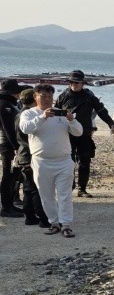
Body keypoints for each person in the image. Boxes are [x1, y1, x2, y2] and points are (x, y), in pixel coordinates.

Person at [18, 84, 83, 237]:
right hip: (41, 162)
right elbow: (25, 128)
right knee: (46, 195)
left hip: (64, 161)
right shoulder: (29, 113)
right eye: (43, 96)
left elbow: (78, 132)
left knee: (64, 194)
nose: (47, 100)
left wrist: (72, 120)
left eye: (49, 97)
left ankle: (66, 224)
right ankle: (54, 223)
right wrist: (43, 117)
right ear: (35, 97)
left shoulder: (61, 114)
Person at [55, 70, 114, 197]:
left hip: (85, 134)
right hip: (67, 134)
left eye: (77, 82)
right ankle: (69, 186)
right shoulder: (63, 96)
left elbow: (101, 110)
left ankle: (82, 188)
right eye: (72, 82)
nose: (74, 84)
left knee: (85, 161)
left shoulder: (89, 96)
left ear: (83, 83)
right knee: (68, 161)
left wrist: (111, 123)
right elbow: (56, 114)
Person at [14, 87, 50, 227]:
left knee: (29, 188)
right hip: (29, 155)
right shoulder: (27, 116)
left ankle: (29, 216)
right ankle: (43, 218)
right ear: (34, 99)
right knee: (36, 188)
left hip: (22, 154)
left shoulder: (20, 114)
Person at [0, 77, 24, 217]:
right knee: (7, 175)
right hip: (7, 145)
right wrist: (16, 147)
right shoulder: (5, 105)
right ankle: (6, 207)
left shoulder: (9, 103)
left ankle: (9, 204)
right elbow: (8, 129)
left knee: (11, 175)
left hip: (8, 144)